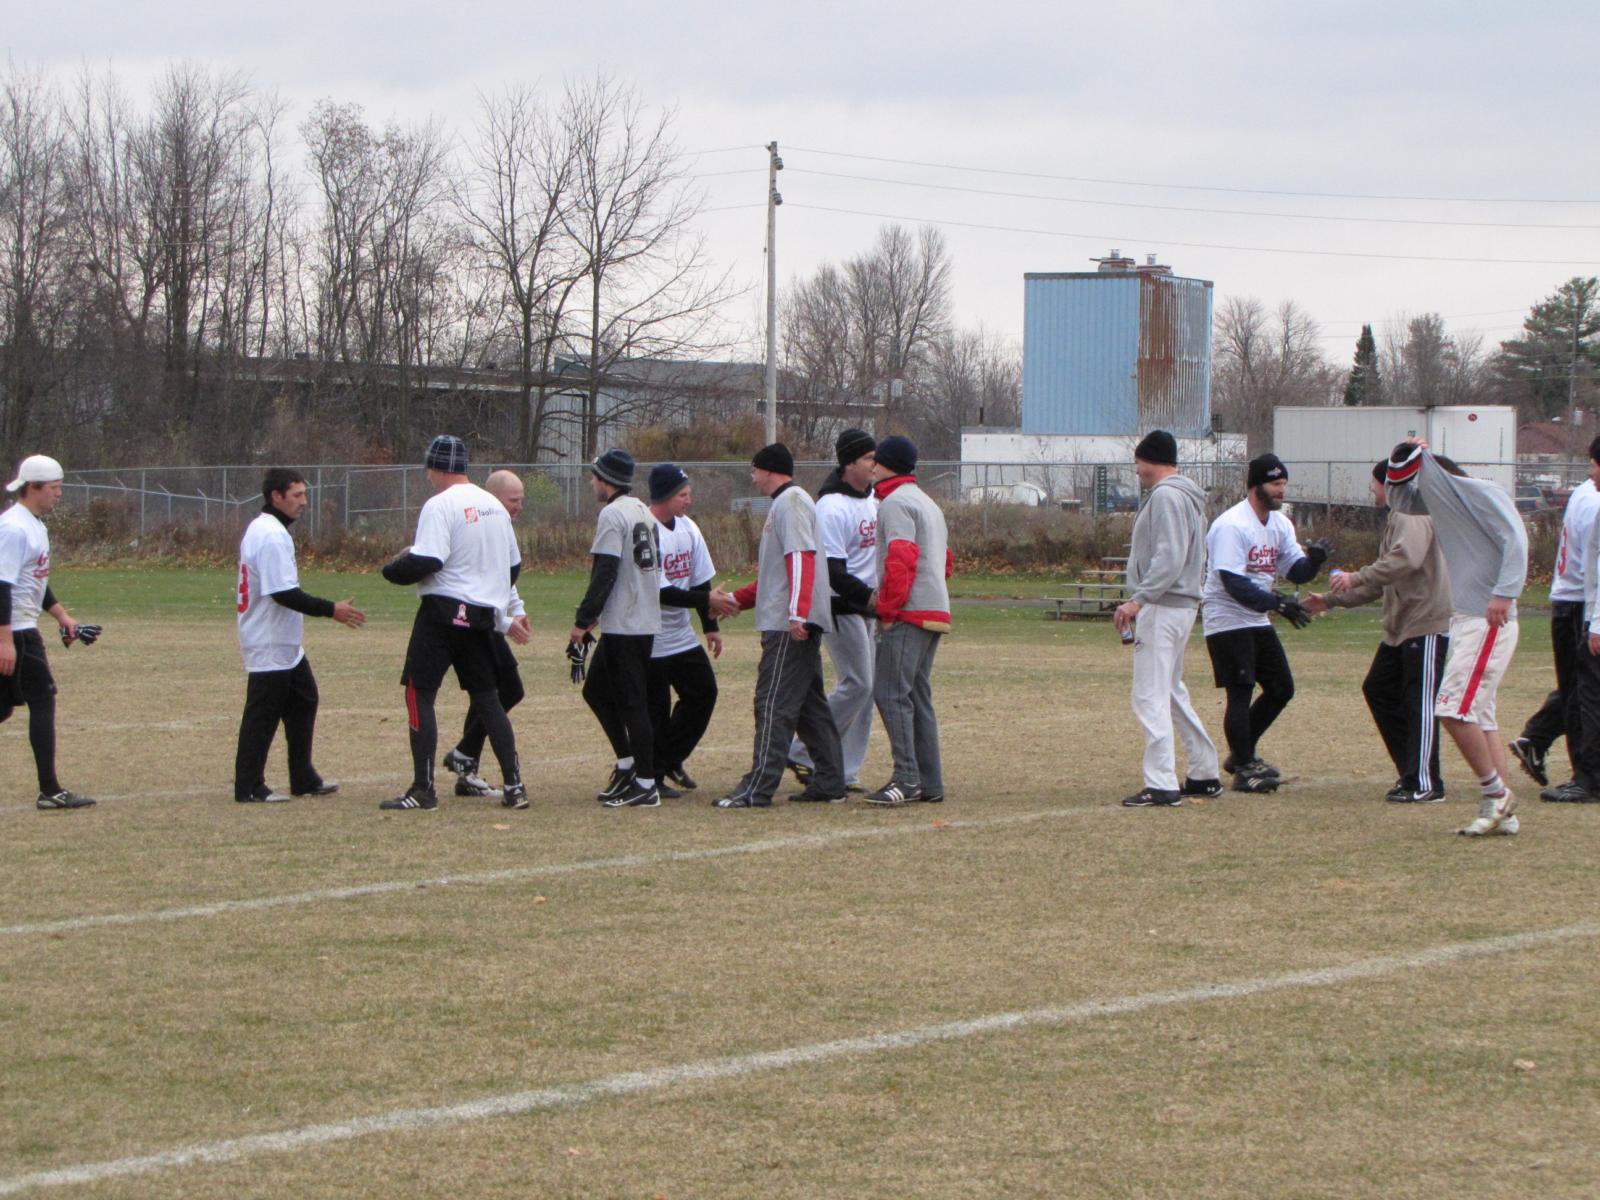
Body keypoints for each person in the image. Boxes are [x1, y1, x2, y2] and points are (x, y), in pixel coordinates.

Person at [1385, 440, 1527, 836]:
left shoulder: (1482, 492)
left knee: (1452, 710)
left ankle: (1496, 795)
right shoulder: (1438, 505)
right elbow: (1398, 499)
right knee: (1480, 716)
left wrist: (1505, 593)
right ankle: (1504, 813)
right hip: (1467, 618)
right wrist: (1399, 457)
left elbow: (1515, 539)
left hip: (1488, 618)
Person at [380, 436, 525, 812]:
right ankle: (515, 786)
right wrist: (490, 595)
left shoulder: (440, 504)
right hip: (480, 617)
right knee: (488, 699)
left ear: (436, 467)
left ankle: (423, 789)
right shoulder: (494, 506)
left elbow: (428, 560)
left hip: (442, 614)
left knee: (419, 694)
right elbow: (512, 566)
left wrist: (391, 570)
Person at [1303, 461, 1451, 803]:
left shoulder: (1410, 514)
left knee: (1419, 704)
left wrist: (1354, 576)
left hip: (1425, 622)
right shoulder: (1397, 518)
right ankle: (1411, 771)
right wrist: (1330, 600)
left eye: (1374, 483)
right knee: (1379, 688)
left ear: (1389, 484)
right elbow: (1380, 582)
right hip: (1402, 628)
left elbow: (1406, 559)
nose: (1371, 489)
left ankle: (1426, 783)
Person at [715, 443, 845, 809]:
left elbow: (801, 558)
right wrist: (735, 600)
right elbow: (775, 577)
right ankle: (830, 781)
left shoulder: (792, 502)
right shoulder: (786, 504)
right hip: (791, 619)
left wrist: (797, 613)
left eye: (754, 470)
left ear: (769, 470)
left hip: (790, 627)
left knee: (772, 702)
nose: (753, 477)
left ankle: (757, 787)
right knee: (808, 707)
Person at [1200, 453, 1331, 793]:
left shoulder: (1280, 524)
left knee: (1281, 688)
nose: (1281, 490)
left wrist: (1314, 561)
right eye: (1275, 484)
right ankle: (1245, 767)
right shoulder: (1232, 525)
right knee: (1240, 691)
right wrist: (1277, 603)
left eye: (1284, 483)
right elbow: (1233, 582)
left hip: (1256, 617)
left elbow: (1295, 570)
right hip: (1227, 618)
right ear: (1255, 486)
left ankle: (1241, 754)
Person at [233, 468, 365, 804]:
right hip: (269, 638)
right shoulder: (271, 535)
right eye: (296, 495)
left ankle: (303, 777)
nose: (304, 501)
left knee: (304, 699)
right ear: (276, 497)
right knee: (262, 713)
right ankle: (249, 786)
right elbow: (283, 593)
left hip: (284, 640)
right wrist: (331, 609)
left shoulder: (267, 528)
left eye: (304, 494)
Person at [1112, 430, 1220, 808]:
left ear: (1150, 460)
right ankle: (1204, 771)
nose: (1137, 470)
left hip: (1163, 607)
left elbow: (1169, 557)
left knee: (1149, 695)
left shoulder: (1166, 496)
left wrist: (1138, 600)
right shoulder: (1187, 497)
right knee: (1171, 690)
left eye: (1139, 462)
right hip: (1180, 606)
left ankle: (1161, 783)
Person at [0, 455, 99, 810]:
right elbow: (2, 586)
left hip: (20, 628)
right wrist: (5, 641)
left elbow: (34, 582)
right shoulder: (15, 528)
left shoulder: (33, 524)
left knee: (3, 708)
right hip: (17, 631)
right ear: (33, 487)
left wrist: (63, 618)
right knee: (43, 699)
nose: (59, 494)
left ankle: (50, 789)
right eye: (54, 488)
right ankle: (50, 790)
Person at [1506, 440, 1600, 799]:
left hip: (1579, 600)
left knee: (1582, 690)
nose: (1591, 471)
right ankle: (1584, 774)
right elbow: (1593, 566)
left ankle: (1544, 743)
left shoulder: (1586, 496)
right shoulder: (1591, 498)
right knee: (1582, 692)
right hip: (1579, 601)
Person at [788, 428, 879, 794]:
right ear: (849, 463)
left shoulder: (873, 499)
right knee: (859, 682)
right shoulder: (831, 506)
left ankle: (845, 769)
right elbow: (833, 571)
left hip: (867, 608)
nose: (874, 464)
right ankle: (803, 750)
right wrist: (868, 597)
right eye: (868, 458)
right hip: (840, 606)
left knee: (866, 690)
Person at [572, 449, 664, 810]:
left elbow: (606, 570)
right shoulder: (642, 510)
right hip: (636, 617)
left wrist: (583, 619)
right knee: (596, 691)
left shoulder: (612, 513)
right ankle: (628, 765)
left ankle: (646, 783)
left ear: (606, 479)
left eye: (595, 476)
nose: (591, 482)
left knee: (632, 702)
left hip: (628, 622)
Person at [865, 435, 951, 807]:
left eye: (876, 460)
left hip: (909, 610)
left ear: (886, 464)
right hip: (935, 606)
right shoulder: (926, 502)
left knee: (889, 692)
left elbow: (901, 557)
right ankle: (930, 782)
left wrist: (888, 609)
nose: (871, 466)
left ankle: (906, 777)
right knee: (917, 695)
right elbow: (945, 560)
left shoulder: (895, 503)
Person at [442, 469, 532, 800]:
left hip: (490, 618)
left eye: (521, 500)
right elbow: (476, 580)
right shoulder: (477, 522)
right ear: (492, 498)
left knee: (494, 693)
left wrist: (517, 609)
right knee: (499, 691)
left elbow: (503, 575)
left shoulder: (499, 525)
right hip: (474, 621)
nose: (518, 507)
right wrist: (504, 621)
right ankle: (468, 758)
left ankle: (466, 761)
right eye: (513, 500)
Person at [643, 463, 726, 798]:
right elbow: (660, 592)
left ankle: (669, 759)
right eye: (682, 495)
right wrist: (707, 599)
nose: (688, 500)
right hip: (649, 637)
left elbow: (700, 579)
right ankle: (652, 775)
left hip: (680, 635)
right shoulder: (645, 529)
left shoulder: (689, 527)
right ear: (664, 496)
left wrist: (710, 626)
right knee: (656, 709)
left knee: (703, 693)